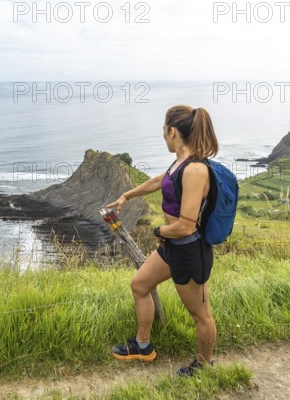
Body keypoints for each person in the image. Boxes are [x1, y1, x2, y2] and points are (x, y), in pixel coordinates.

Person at [105, 105, 219, 377]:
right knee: (139, 285)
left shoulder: (195, 170)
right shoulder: (179, 163)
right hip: (171, 248)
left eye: (163, 132)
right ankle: (143, 346)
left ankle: (203, 366)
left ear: (172, 132)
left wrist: (158, 231)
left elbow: (185, 226)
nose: (163, 136)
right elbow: (160, 181)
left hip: (189, 252)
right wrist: (127, 195)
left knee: (201, 315)